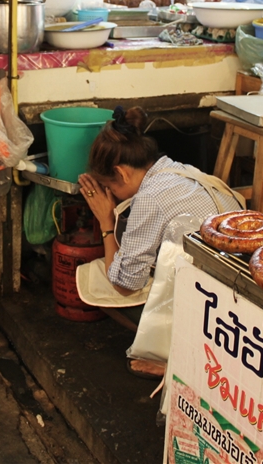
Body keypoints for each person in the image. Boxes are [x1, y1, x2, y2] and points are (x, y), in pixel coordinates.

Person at [77, 107, 242, 375]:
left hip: (213, 310)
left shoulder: (149, 198)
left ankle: (175, 359)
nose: (113, 195)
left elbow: (125, 285)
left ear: (122, 173)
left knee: (99, 282)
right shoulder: (180, 170)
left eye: (112, 188)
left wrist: (107, 221)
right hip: (242, 292)